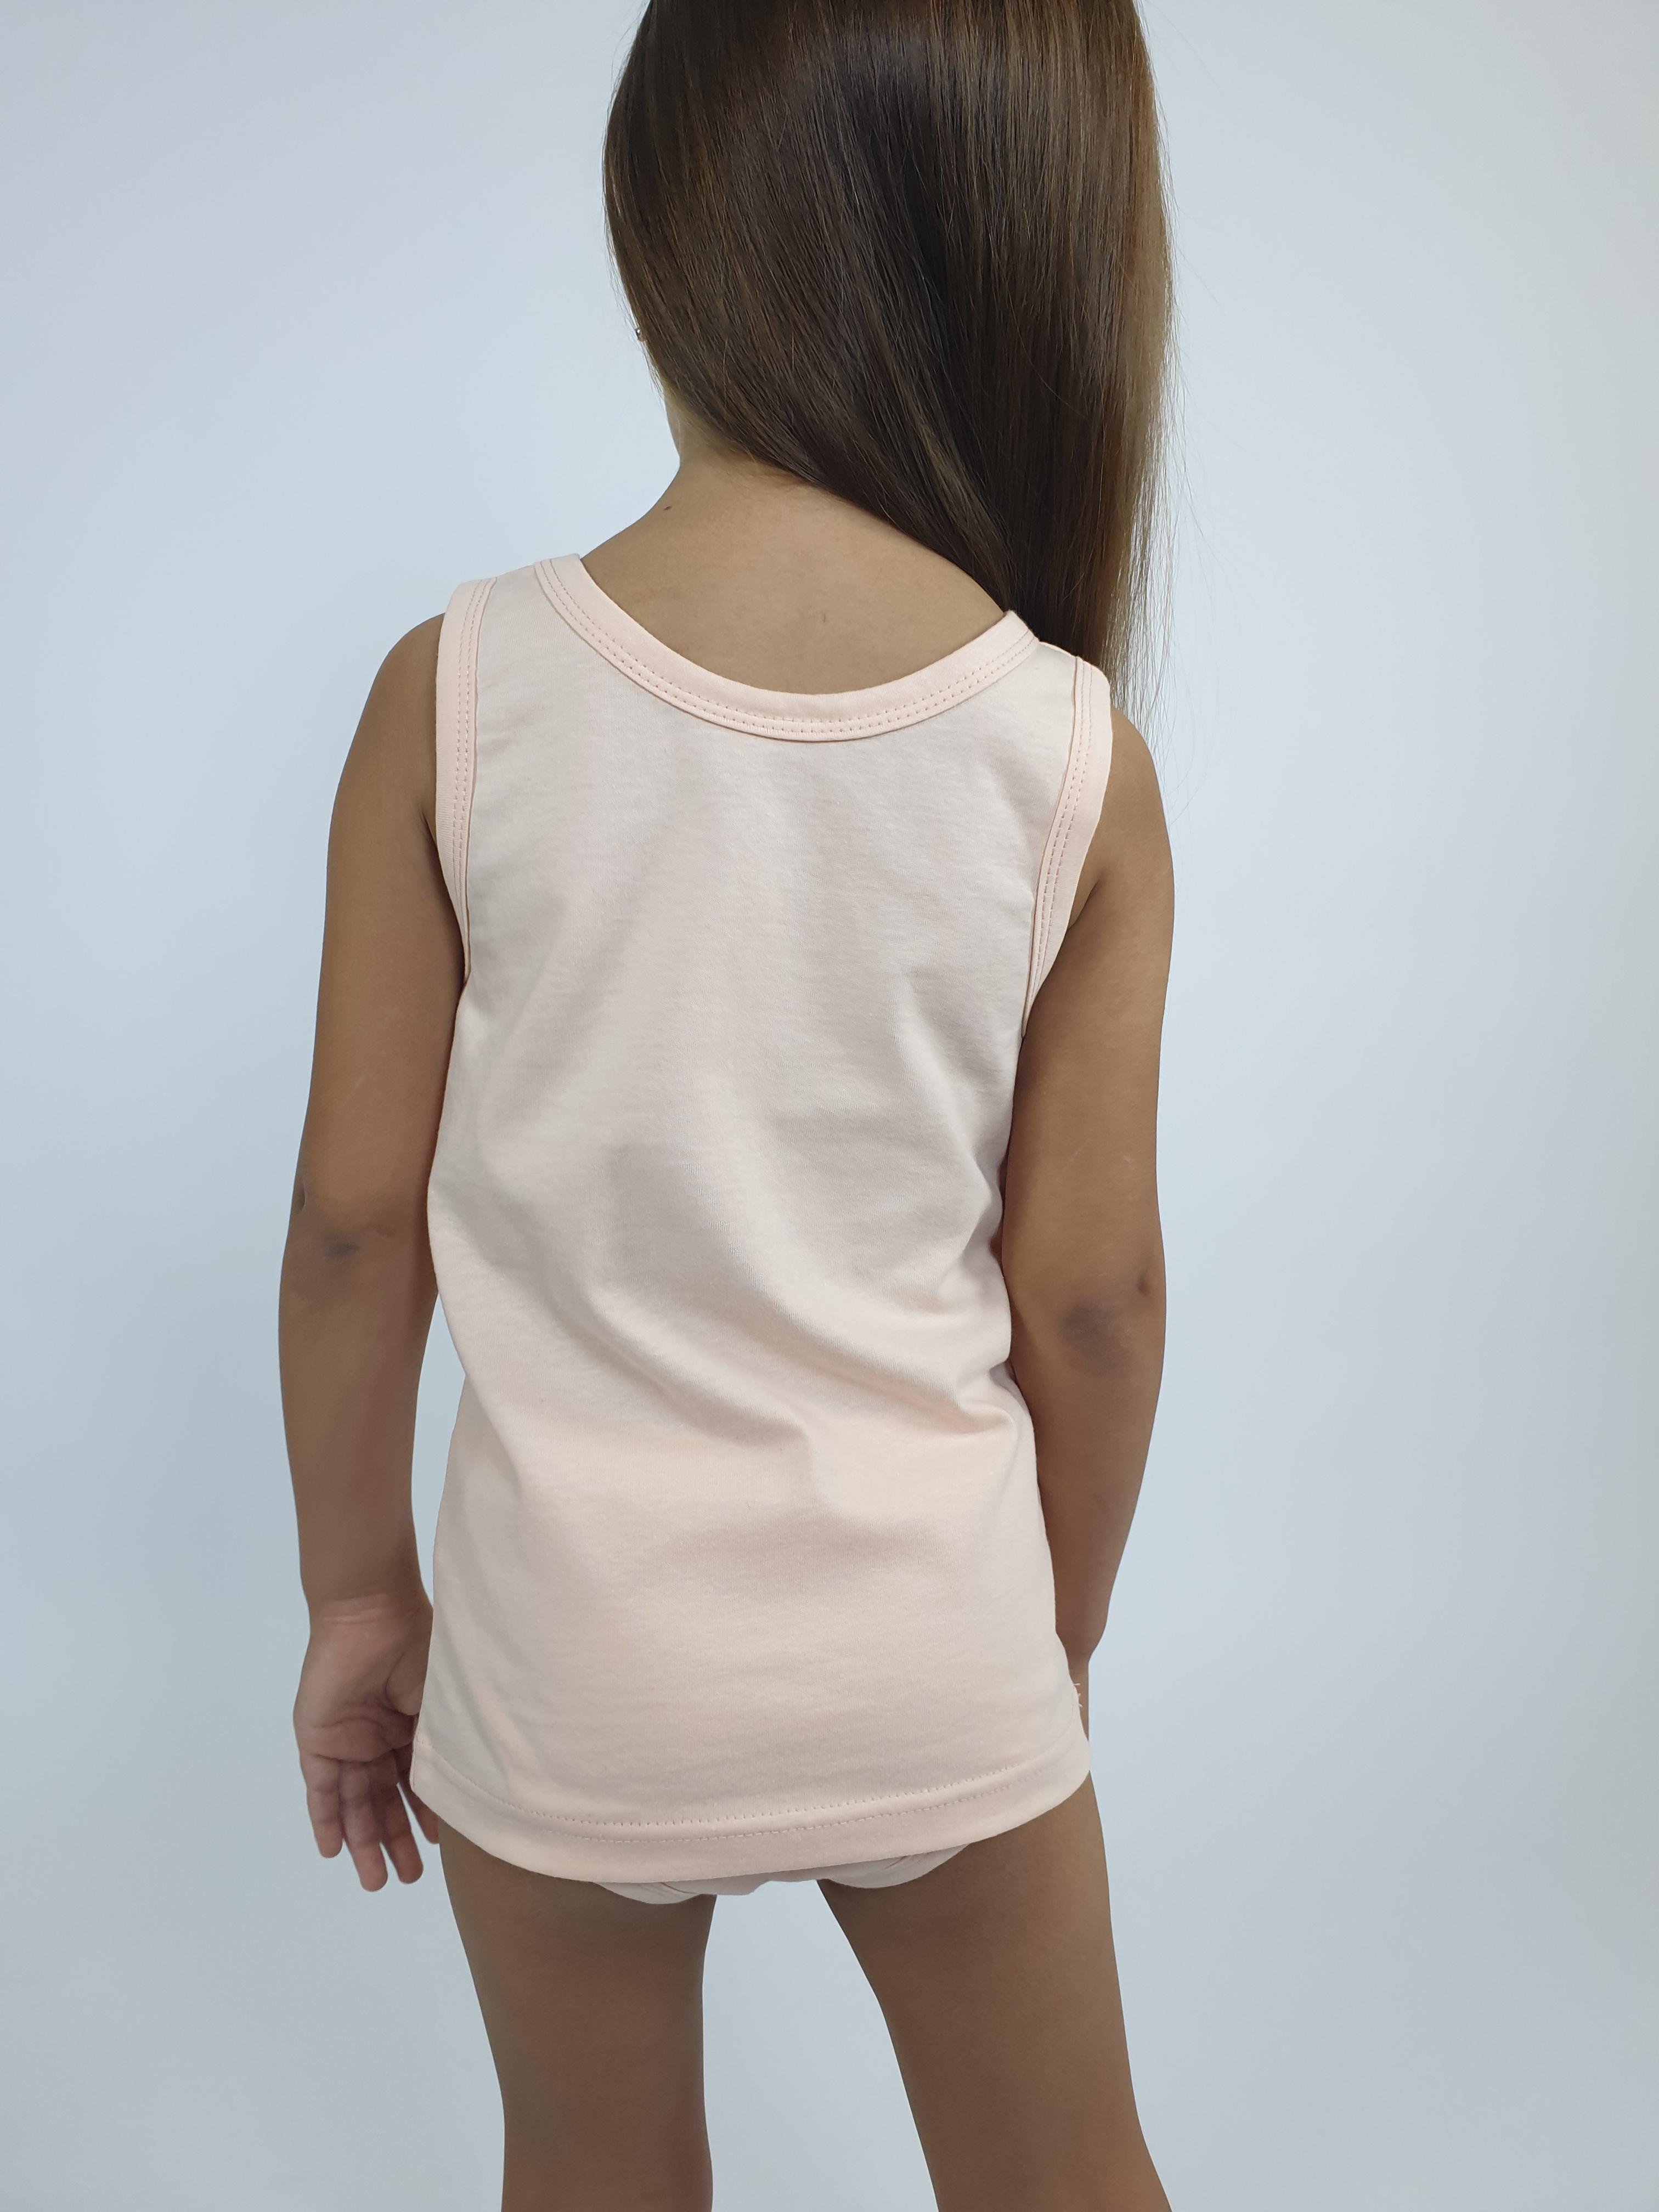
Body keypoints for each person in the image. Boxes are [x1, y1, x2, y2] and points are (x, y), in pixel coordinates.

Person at [279, 1, 1177, 2203]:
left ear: (654, 236)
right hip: (931, 1645)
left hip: (569, 1662)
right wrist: (1037, 1634)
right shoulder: (1068, 748)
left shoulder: (457, 692)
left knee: (591, 2172)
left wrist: (362, 1605)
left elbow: (356, 1231)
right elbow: (1092, 1302)